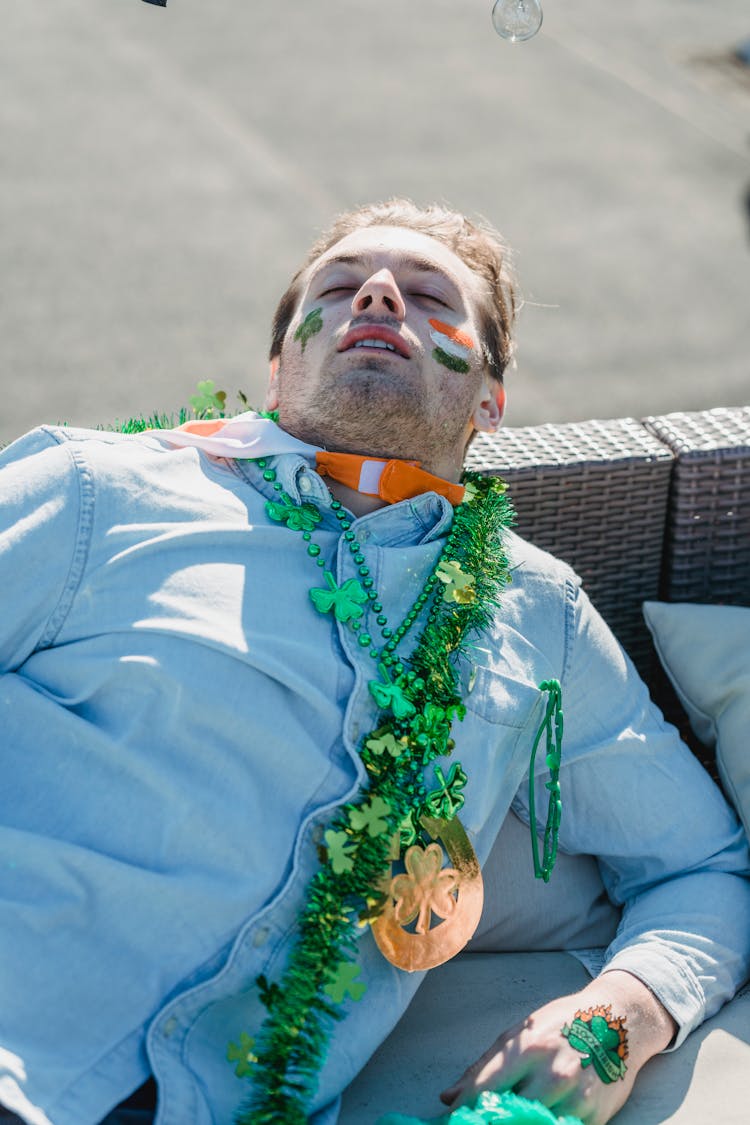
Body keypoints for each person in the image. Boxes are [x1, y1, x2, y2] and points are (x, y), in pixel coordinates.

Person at [0, 199, 748, 1125]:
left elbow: (703, 865)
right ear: (280, 368)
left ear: (490, 400)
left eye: (431, 296)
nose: (383, 293)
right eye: (343, 285)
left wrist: (614, 1022)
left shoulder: (534, 611)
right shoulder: (94, 494)